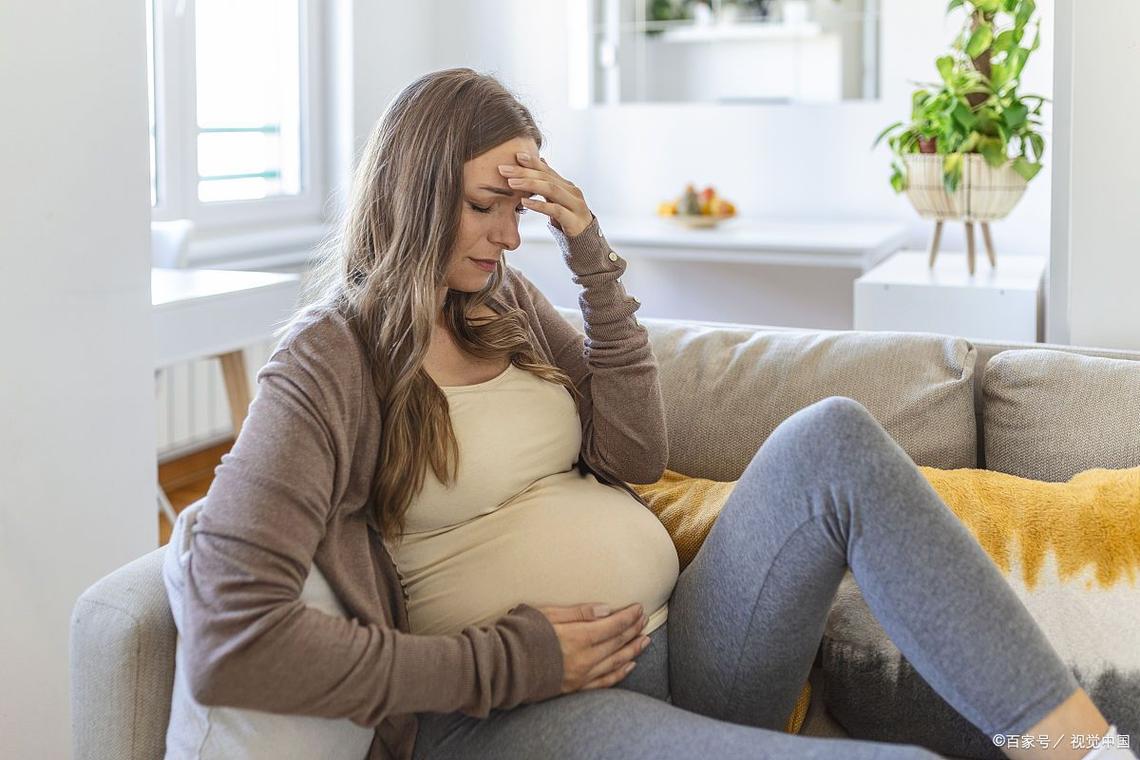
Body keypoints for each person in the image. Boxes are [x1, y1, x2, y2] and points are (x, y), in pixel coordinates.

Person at [175, 67, 1134, 760]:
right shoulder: (329, 357)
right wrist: (508, 662)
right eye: (485, 206)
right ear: (413, 190)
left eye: (525, 209)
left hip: (690, 645)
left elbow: (635, 454)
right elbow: (234, 642)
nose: (512, 235)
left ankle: (1083, 753)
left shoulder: (500, 303)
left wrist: (589, 250)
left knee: (831, 435)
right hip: (512, 712)